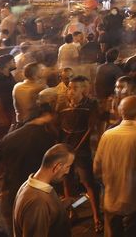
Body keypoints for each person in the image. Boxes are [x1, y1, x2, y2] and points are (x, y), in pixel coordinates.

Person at [0, 94, 59, 233]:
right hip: (38, 198)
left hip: (11, 197)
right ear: (48, 116)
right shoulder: (47, 139)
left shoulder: (9, 138)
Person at [94, 96, 136, 237]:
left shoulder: (107, 135)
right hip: (135, 199)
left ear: (120, 111)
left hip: (111, 199)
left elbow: (96, 168)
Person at [56, 75, 102, 231]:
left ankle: (97, 216)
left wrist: (76, 149)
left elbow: (91, 128)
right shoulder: (62, 105)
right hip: (65, 149)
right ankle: (72, 212)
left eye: (75, 88)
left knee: (88, 182)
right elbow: (59, 127)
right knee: (67, 181)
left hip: (82, 151)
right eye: (69, 87)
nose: (71, 91)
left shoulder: (91, 105)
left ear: (84, 90)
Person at [12, 144, 75, 237]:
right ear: (58, 166)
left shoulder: (29, 184)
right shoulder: (38, 202)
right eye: (68, 166)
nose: (67, 171)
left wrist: (60, 206)